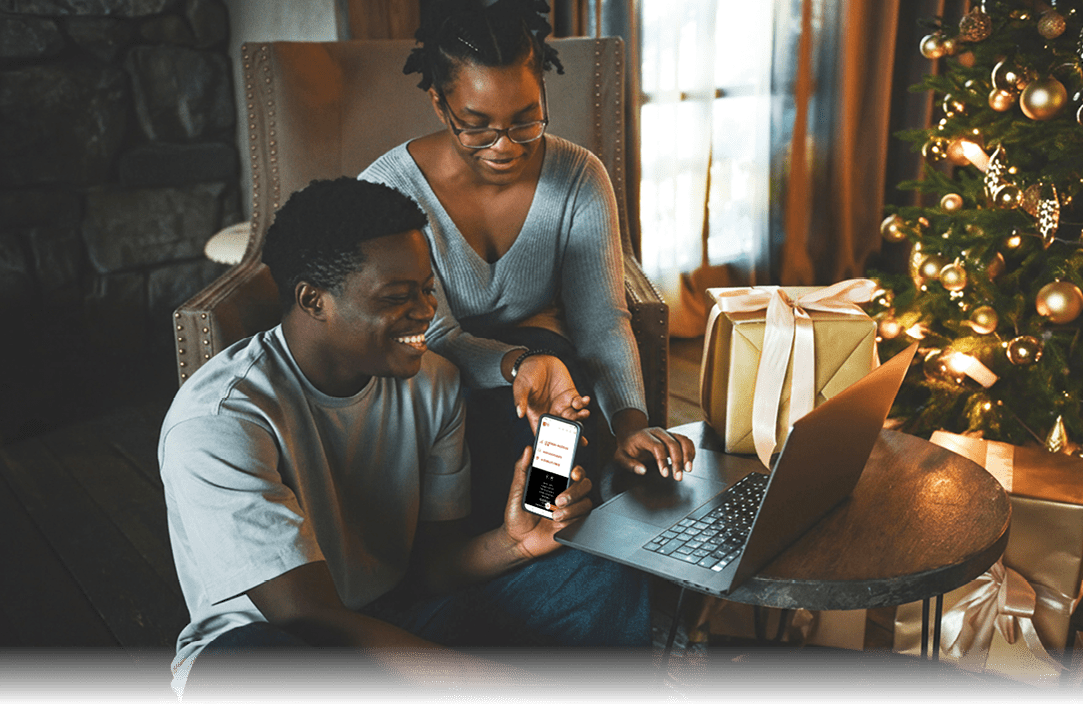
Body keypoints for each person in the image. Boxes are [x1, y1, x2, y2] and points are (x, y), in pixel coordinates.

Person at [158, 177, 651, 701]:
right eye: (398, 296)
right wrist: (514, 689)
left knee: (602, 570)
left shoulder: (433, 381)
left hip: (399, 623)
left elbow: (429, 570)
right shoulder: (219, 420)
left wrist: (514, 545)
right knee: (260, 665)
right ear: (313, 300)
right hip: (280, 647)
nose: (425, 312)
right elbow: (314, 619)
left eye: (427, 289)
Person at [359, 0, 695, 532]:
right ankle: (492, 562)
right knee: (506, 432)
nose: (505, 148)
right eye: (477, 127)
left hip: (548, 375)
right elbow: (435, 337)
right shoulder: (388, 191)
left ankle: (554, 537)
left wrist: (634, 425)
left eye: (525, 121)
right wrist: (519, 362)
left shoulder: (579, 177)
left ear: (543, 90)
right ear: (439, 104)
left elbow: (602, 319)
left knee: (561, 473)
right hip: (435, 378)